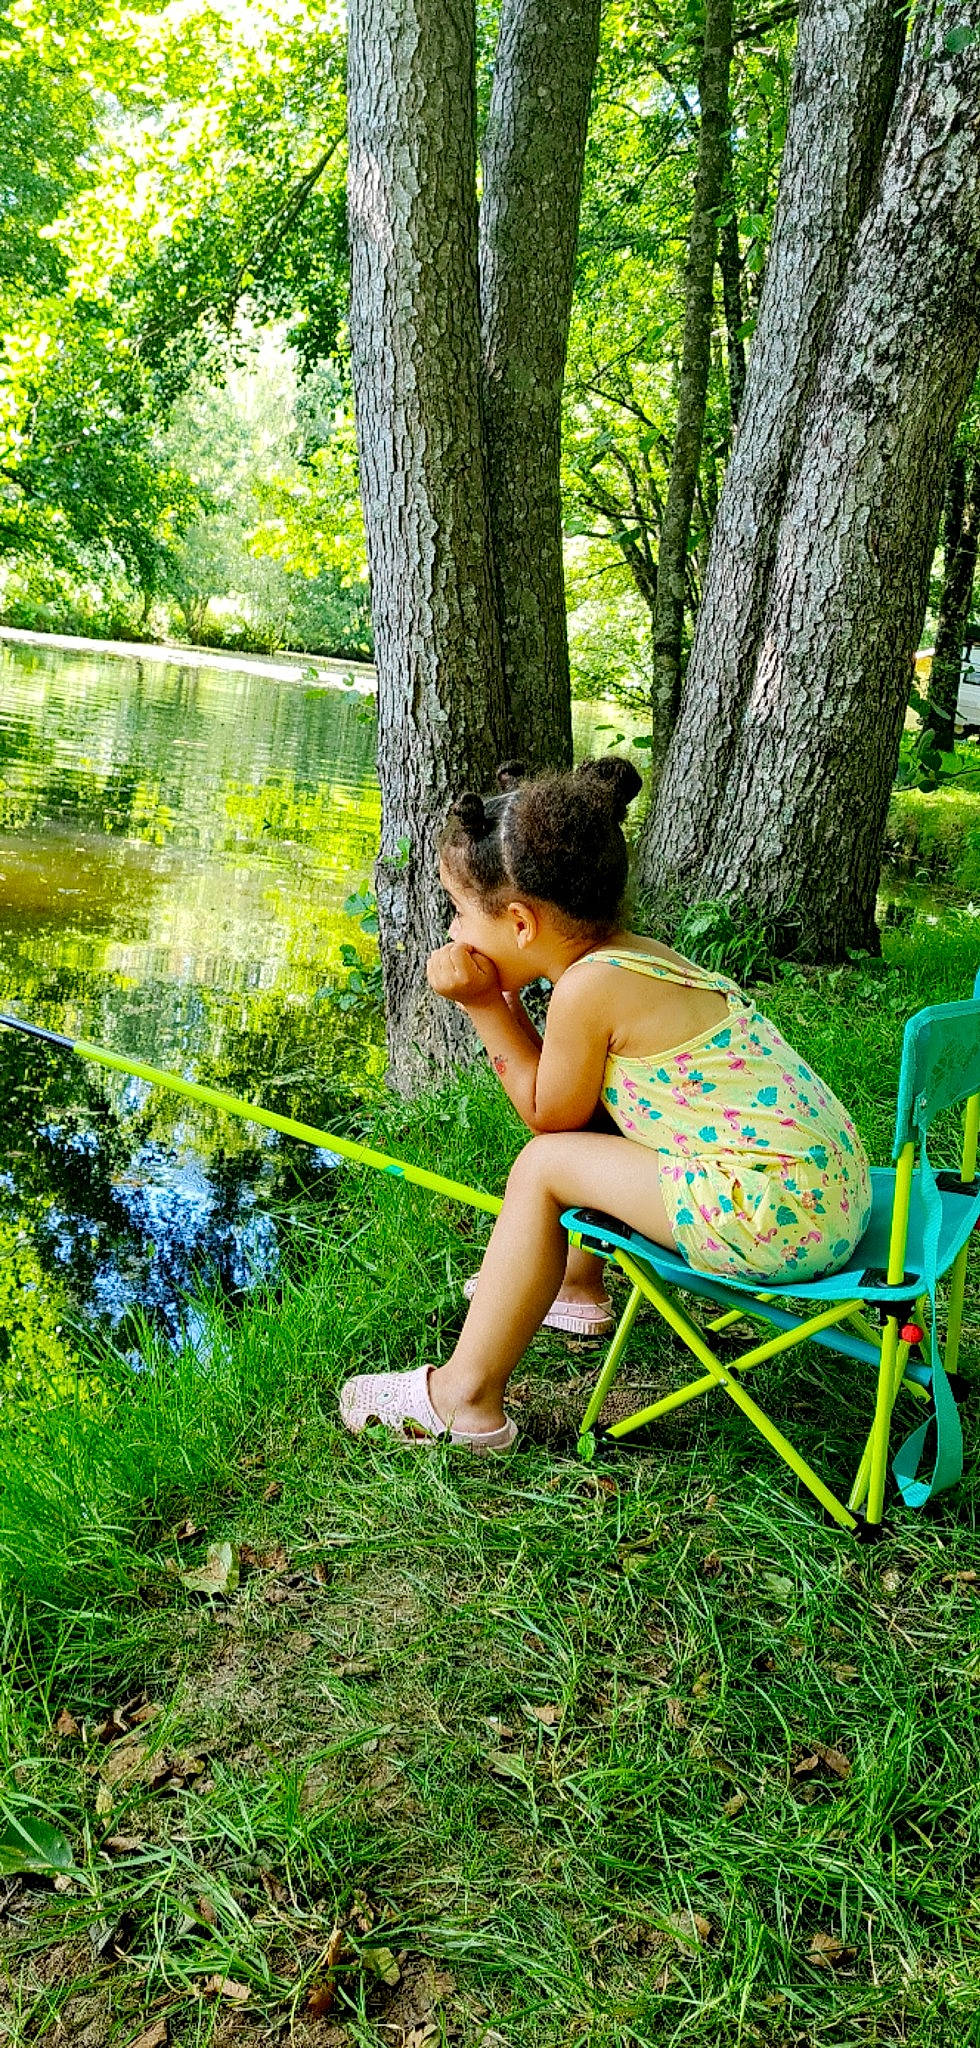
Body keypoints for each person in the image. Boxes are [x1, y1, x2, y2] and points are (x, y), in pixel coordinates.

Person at [339, 758, 871, 1451]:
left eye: (459, 910)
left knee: (543, 1166)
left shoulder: (587, 990)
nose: (453, 928)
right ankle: (576, 1286)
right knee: (597, 1129)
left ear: (522, 923)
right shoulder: (637, 958)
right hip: (832, 1194)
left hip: (771, 1214)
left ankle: (461, 1399)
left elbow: (547, 1117)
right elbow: (586, 1107)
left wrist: (483, 1005)